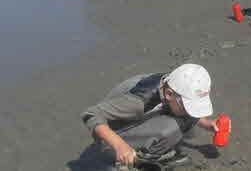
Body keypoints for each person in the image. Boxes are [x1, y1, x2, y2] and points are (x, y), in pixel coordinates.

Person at [80, 63, 219, 169]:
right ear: (169, 94)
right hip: (111, 141)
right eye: (188, 105)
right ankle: (136, 162)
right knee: (171, 127)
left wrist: (206, 123)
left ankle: (154, 151)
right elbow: (90, 114)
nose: (191, 111)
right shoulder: (137, 102)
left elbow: (186, 110)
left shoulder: (172, 83)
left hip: (137, 122)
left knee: (187, 121)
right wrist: (120, 146)